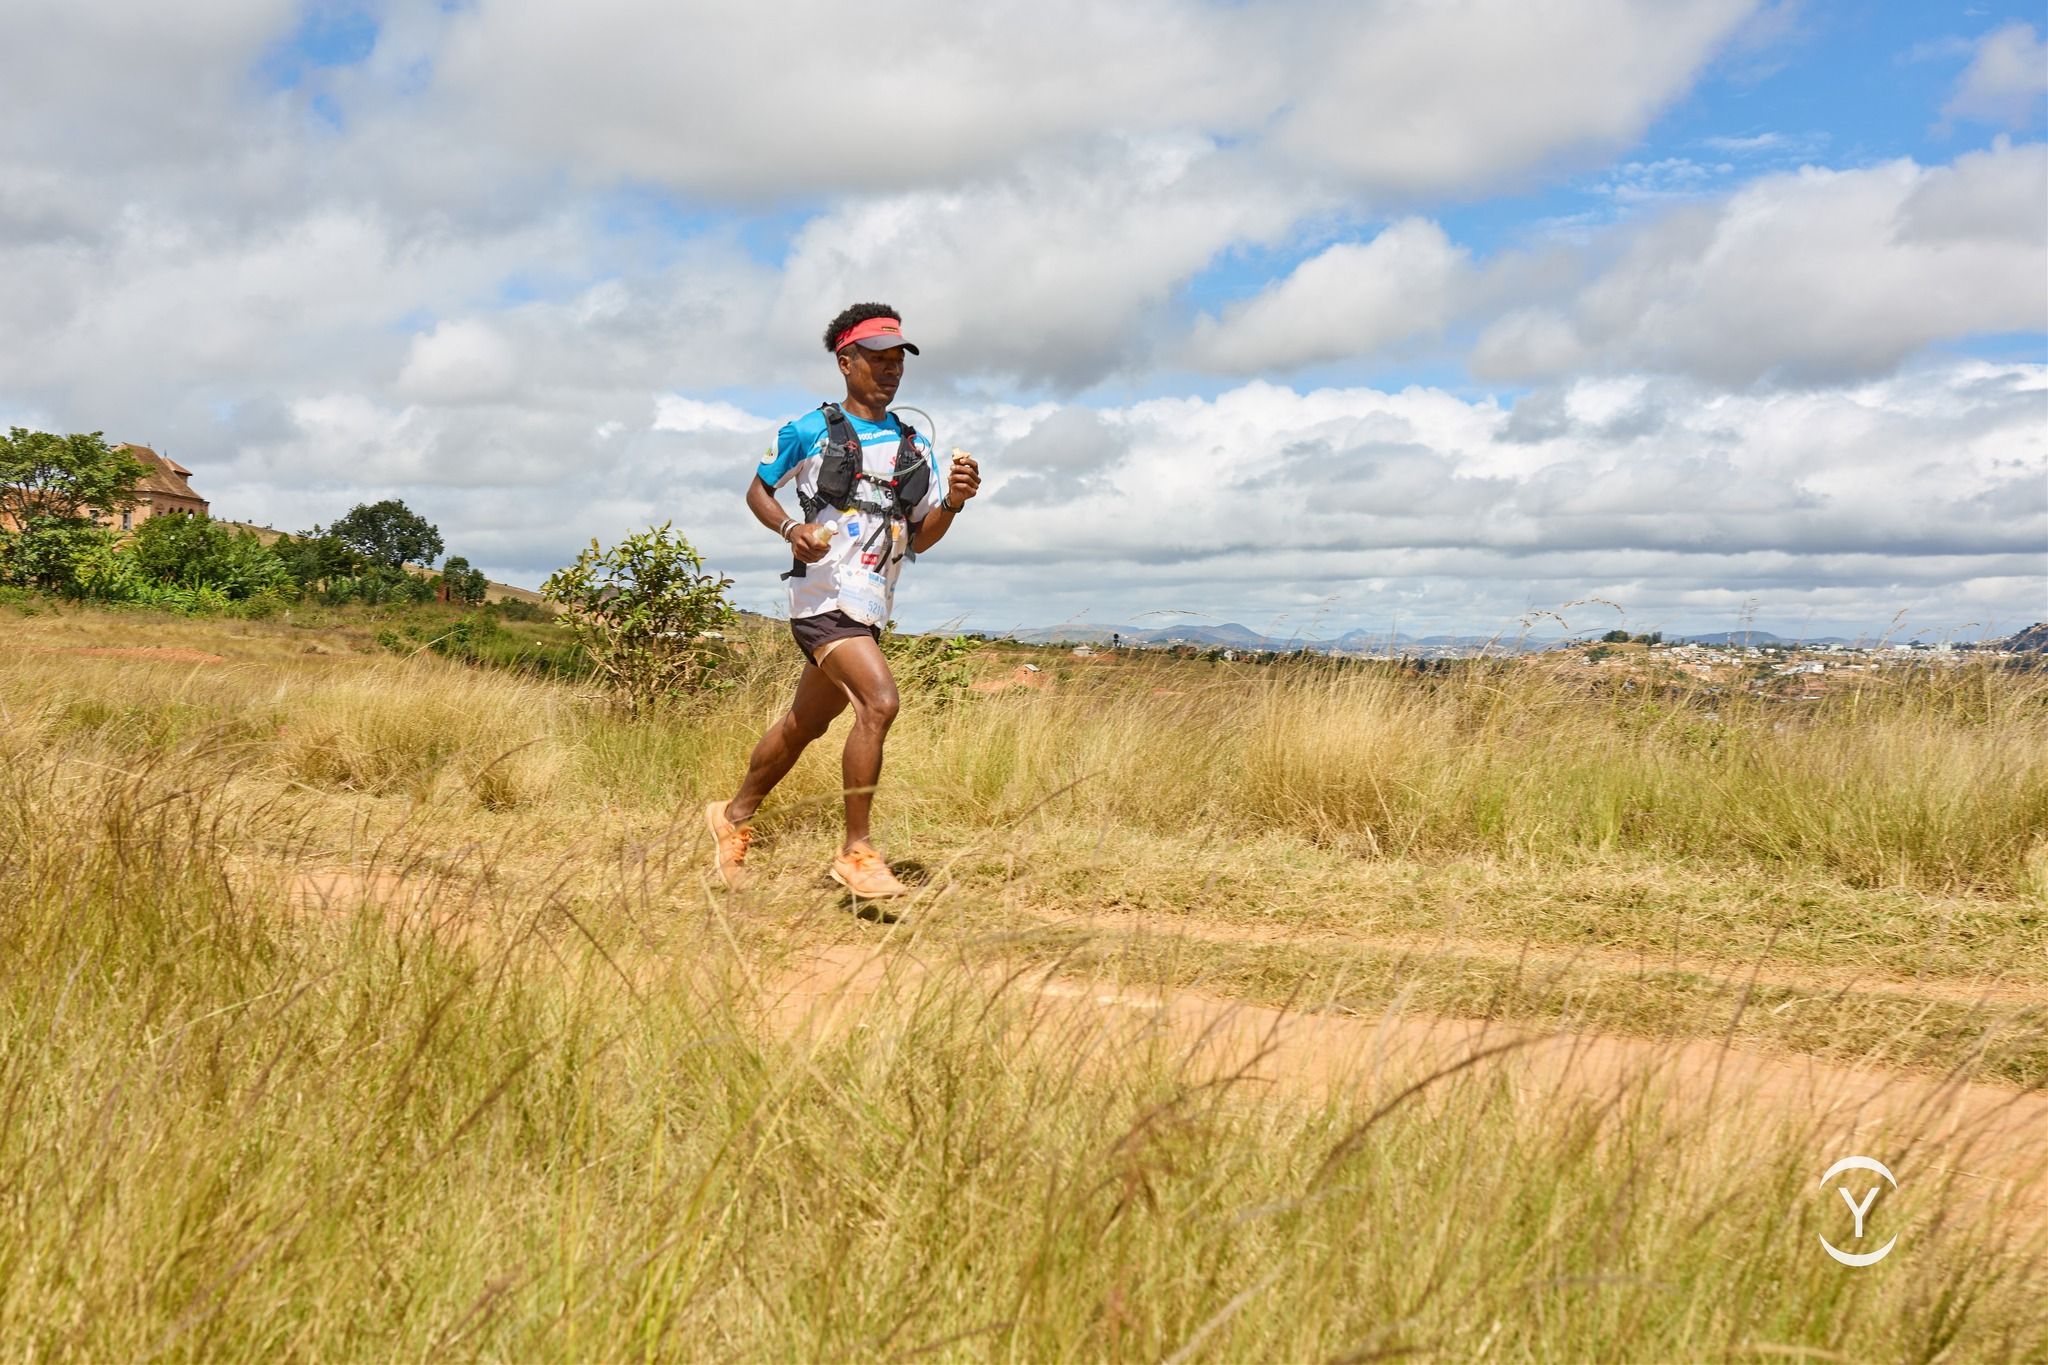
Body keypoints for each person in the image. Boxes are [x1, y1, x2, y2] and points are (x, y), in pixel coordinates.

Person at [706, 303, 980, 897]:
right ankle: (856, 852)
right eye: (877, 359)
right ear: (845, 361)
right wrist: (789, 530)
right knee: (879, 704)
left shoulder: (916, 449)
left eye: (896, 360)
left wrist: (954, 503)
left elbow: (922, 538)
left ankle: (731, 817)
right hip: (822, 597)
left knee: (805, 724)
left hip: (871, 606)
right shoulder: (809, 430)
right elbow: (758, 489)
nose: (890, 371)